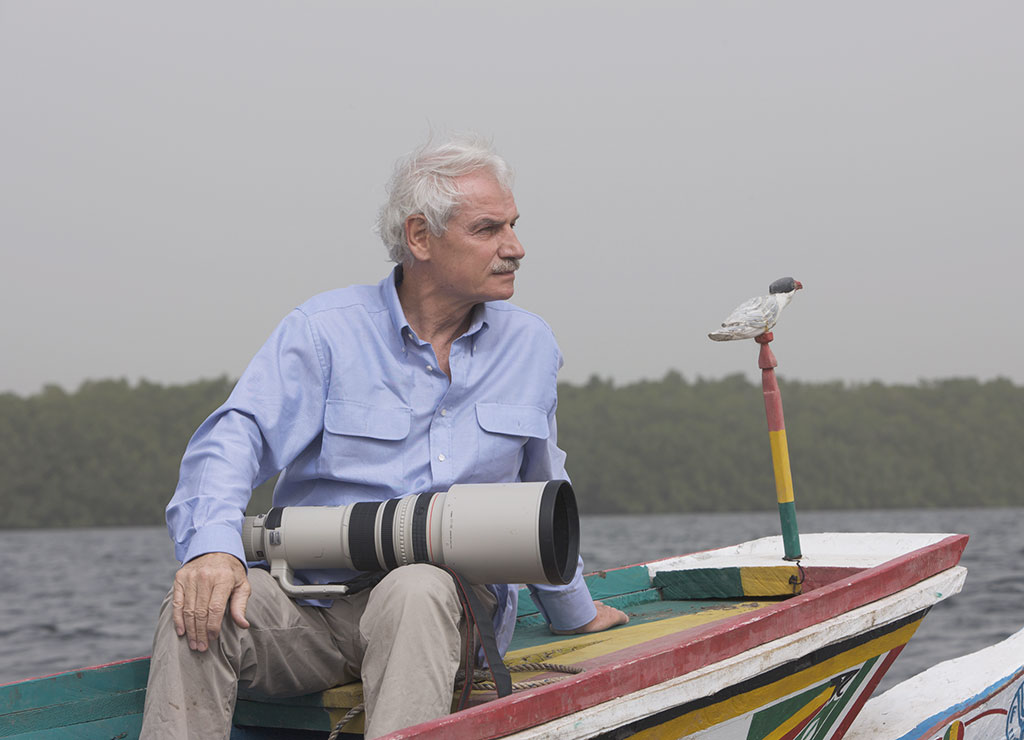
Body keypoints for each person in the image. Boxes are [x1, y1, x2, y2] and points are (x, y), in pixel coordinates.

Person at [140, 134, 628, 739]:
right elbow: (234, 436)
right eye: (489, 230)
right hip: (310, 603)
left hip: (446, 616)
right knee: (198, 607)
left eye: (513, 226)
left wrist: (573, 612)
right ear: (420, 237)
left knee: (417, 586)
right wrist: (211, 549)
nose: (516, 248)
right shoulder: (324, 332)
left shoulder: (530, 345)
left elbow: (543, 488)